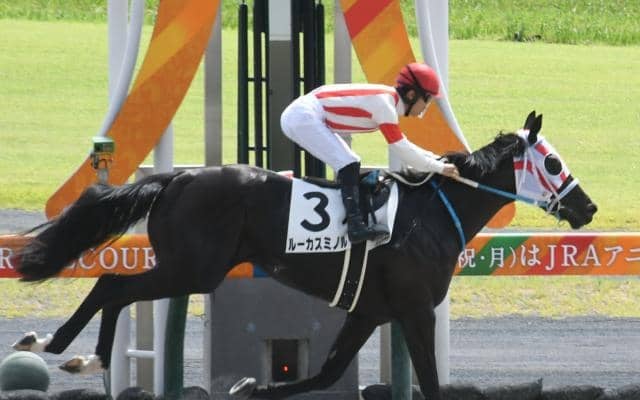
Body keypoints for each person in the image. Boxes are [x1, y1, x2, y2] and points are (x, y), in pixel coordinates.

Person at [280, 62, 460, 244]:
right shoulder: (385, 106)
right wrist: (438, 167)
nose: (427, 106)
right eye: (427, 99)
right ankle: (355, 227)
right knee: (348, 162)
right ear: (412, 94)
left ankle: (351, 219)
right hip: (302, 116)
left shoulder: (387, 101)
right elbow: (401, 148)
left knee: (351, 161)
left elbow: (404, 144)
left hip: (305, 114)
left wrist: (436, 159)